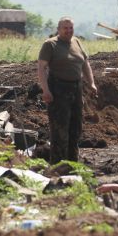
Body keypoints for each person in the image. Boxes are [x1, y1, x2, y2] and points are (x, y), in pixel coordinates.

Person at [38, 17, 97, 164]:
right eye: (65, 28)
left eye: (71, 28)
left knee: (75, 129)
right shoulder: (50, 45)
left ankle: (72, 164)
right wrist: (45, 90)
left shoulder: (77, 42)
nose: (68, 31)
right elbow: (41, 68)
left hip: (76, 89)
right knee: (60, 131)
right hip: (58, 90)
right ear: (58, 29)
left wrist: (92, 83)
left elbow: (85, 64)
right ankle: (58, 166)